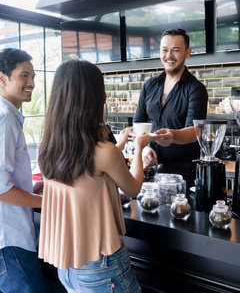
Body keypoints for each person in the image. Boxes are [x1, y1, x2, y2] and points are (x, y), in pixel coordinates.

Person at [38, 59, 152, 293]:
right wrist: (140, 148)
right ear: (93, 97)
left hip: (68, 267)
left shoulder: (49, 146)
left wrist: (117, 147)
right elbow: (133, 189)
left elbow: (84, 171)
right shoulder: (103, 151)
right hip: (102, 267)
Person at [0, 48, 49, 293]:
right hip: (11, 241)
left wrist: (30, 189)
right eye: (23, 76)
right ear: (2, 78)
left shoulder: (9, 115)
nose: (31, 83)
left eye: (33, 76)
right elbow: (0, 188)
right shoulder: (5, 117)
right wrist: (43, 201)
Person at [134, 28, 208, 188]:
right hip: (150, 172)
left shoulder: (196, 88)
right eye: (164, 50)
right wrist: (145, 148)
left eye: (175, 50)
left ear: (187, 52)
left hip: (183, 175)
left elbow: (196, 131)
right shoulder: (149, 85)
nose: (169, 56)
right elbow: (138, 122)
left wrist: (173, 136)